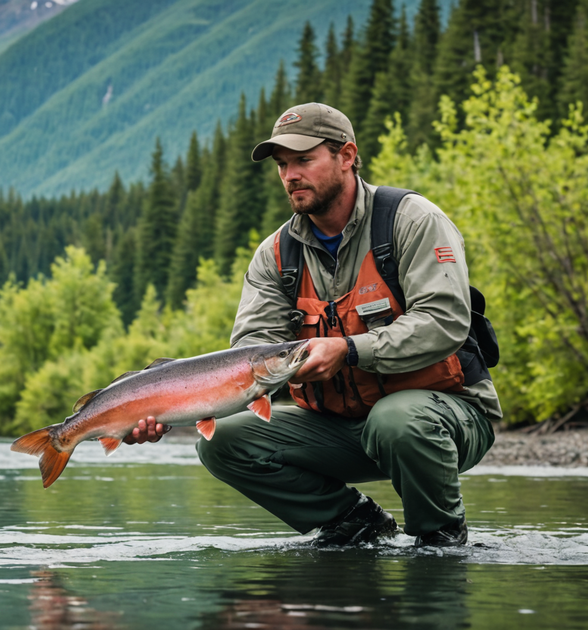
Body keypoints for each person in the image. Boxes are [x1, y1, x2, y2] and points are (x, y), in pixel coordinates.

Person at [127, 102, 501, 547]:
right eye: (282, 165)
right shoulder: (275, 255)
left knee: (396, 420)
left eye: (303, 159)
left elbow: (443, 322)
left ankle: (439, 538)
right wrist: (170, 408)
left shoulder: (412, 220)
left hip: (445, 416)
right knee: (221, 441)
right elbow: (250, 355)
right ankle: (356, 524)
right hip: (340, 428)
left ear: (347, 156)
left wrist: (349, 349)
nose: (290, 175)